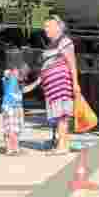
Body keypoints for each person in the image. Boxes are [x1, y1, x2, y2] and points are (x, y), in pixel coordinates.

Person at [30, 15, 80, 155]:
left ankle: (62, 147)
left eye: (48, 26)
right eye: (45, 26)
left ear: (58, 27)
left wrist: (75, 84)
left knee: (61, 116)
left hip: (61, 85)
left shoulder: (65, 42)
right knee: (59, 117)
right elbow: (46, 66)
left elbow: (72, 63)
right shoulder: (51, 44)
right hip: (52, 89)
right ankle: (63, 144)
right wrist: (36, 83)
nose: (45, 29)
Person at [1, 66, 26, 155]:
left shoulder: (19, 83)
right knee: (9, 128)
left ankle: (15, 148)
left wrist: (37, 82)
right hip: (9, 106)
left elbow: (25, 90)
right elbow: (6, 74)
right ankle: (9, 149)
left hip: (17, 107)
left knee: (16, 128)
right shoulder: (9, 77)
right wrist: (11, 72)